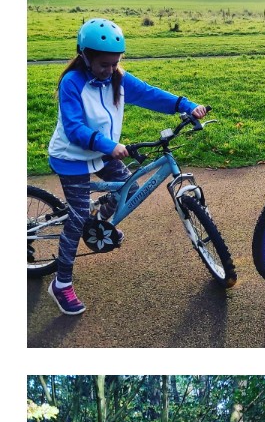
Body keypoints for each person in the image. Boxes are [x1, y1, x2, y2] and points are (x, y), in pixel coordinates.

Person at [45, 18, 208, 315]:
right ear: (84, 56)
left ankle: (99, 222)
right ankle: (62, 283)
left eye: (115, 63)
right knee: (78, 216)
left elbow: (150, 94)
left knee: (129, 186)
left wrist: (186, 105)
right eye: (103, 65)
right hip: (71, 157)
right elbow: (74, 128)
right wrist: (110, 146)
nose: (110, 70)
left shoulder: (117, 78)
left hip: (103, 151)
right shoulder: (72, 83)